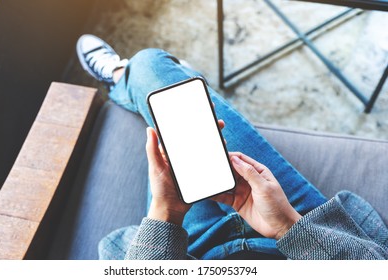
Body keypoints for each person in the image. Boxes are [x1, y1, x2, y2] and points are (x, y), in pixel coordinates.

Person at [76, 34, 388, 260]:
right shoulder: (295, 226)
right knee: (156, 70)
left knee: (149, 65)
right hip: (302, 234)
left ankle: (122, 78)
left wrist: (167, 211)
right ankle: (159, 78)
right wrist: (287, 226)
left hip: (195, 252)